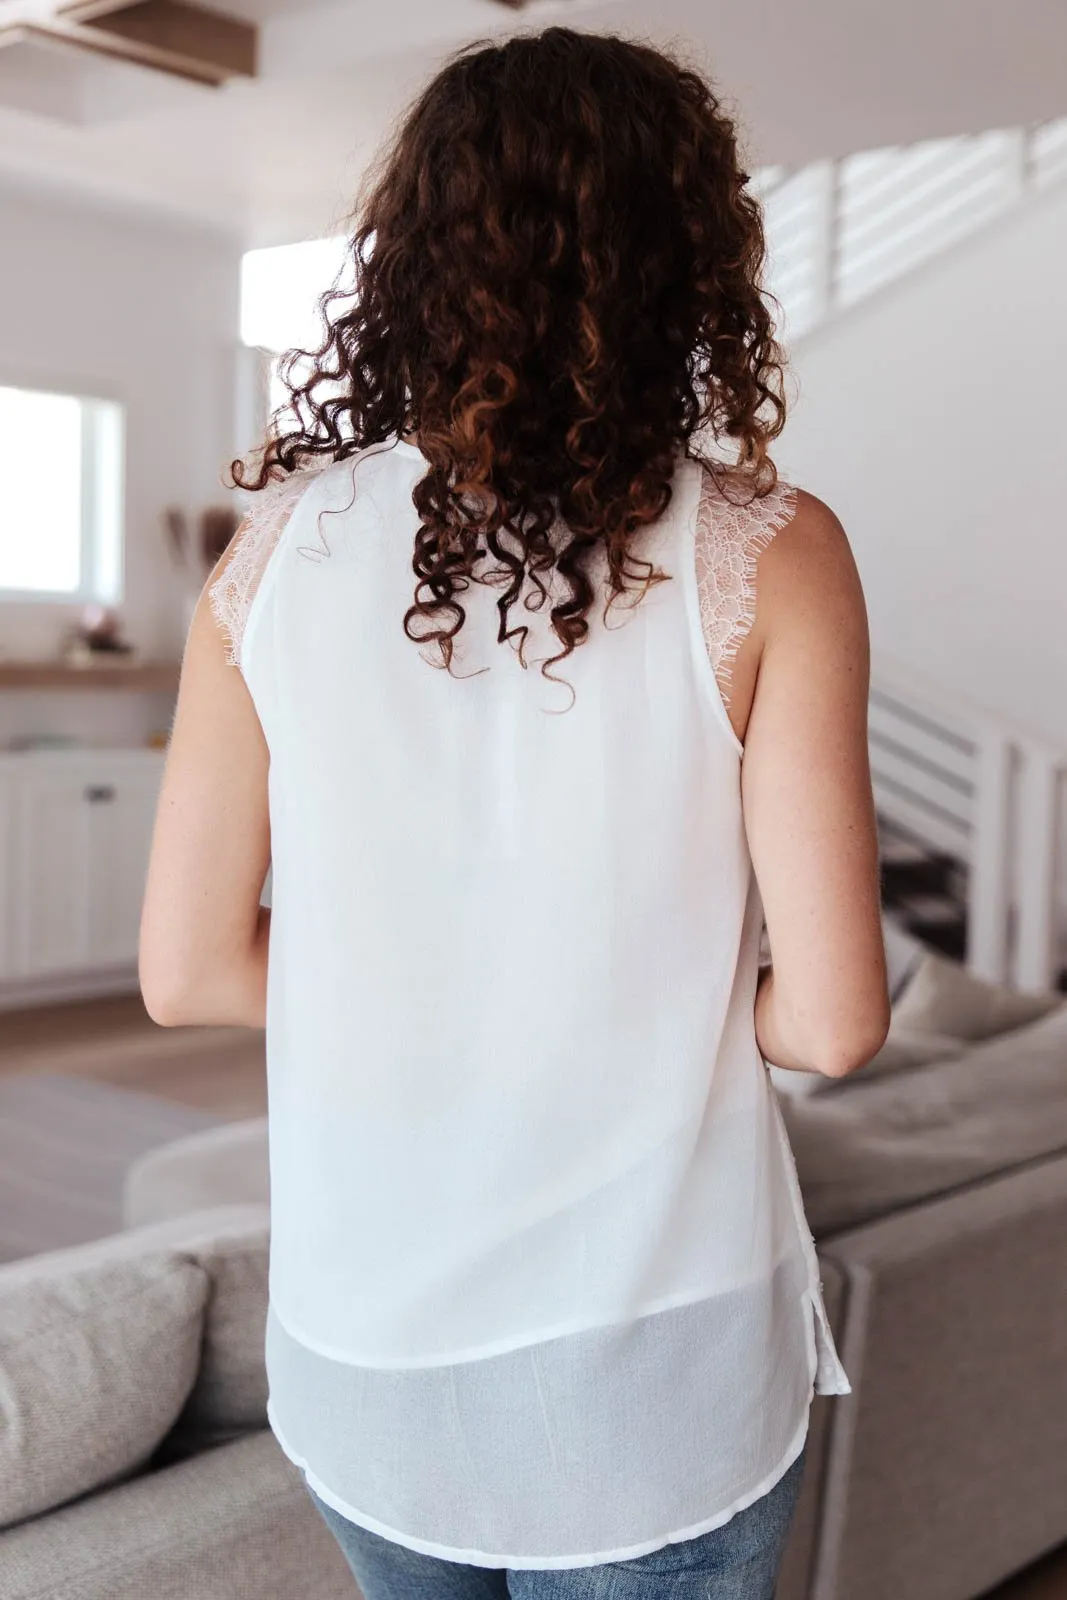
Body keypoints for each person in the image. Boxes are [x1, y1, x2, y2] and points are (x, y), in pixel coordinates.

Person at [139, 25, 889, 1600]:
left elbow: (189, 972)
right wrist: (626, 997)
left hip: (371, 1361)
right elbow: (831, 1024)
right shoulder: (768, 548)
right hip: (658, 1372)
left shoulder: (265, 558)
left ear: (413, 255)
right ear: (690, 255)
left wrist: (446, 988)